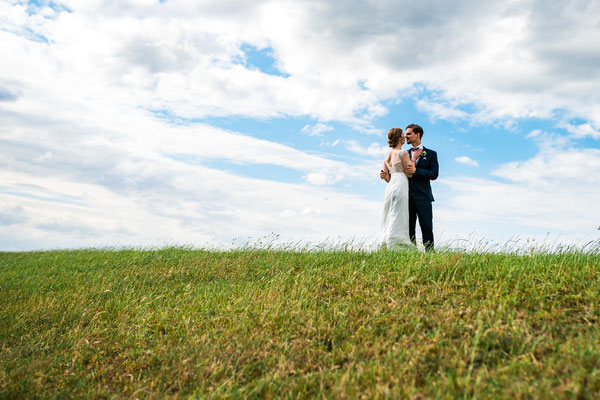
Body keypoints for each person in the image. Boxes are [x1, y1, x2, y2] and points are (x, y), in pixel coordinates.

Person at [403, 124, 439, 251]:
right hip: (406, 197)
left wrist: (416, 171)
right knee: (408, 227)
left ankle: (430, 253)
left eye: (408, 134)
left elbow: (434, 174)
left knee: (426, 226)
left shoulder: (431, 154)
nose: (405, 136)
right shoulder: (404, 154)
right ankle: (411, 252)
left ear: (417, 134)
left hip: (424, 197)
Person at [379, 128, 416, 248]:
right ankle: (394, 242)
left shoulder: (387, 156)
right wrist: (414, 158)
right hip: (400, 184)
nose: (405, 137)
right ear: (399, 137)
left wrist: (385, 176)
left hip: (390, 186)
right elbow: (409, 172)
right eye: (402, 135)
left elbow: (386, 176)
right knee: (398, 214)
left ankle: (386, 241)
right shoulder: (403, 153)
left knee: (389, 214)